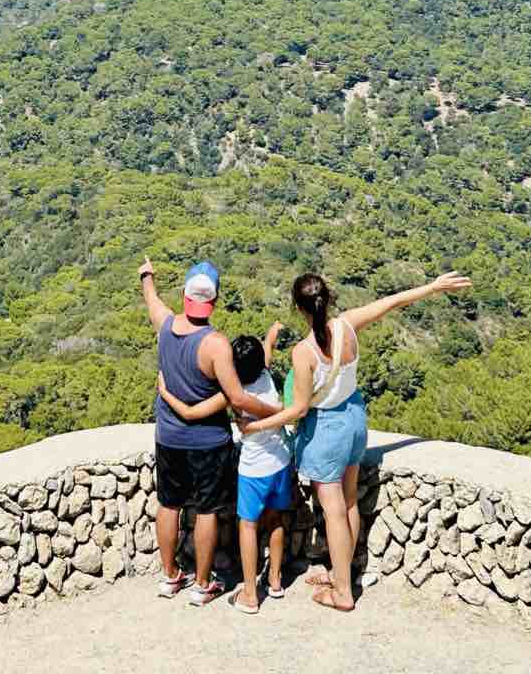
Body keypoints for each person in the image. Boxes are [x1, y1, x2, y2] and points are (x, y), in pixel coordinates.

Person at [239, 269, 472, 612]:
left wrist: (257, 427)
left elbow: (299, 409)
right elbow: (393, 301)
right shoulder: (347, 326)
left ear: (298, 308)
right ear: (328, 298)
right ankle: (342, 575)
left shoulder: (304, 353)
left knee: (333, 511)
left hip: (327, 432)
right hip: (354, 421)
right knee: (348, 503)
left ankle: (343, 593)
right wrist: (433, 287)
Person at [139, 255, 278, 606]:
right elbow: (237, 397)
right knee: (205, 511)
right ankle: (203, 583)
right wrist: (280, 412)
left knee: (168, 504)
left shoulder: (165, 325)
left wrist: (147, 276)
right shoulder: (215, 344)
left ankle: (170, 576)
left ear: (185, 295)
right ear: (213, 301)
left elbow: (152, 301)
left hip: (168, 437)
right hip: (206, 443)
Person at [159, 321, 291, 614]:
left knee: (248, 525)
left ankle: (249, 593)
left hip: (254, 469)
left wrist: (165, 393)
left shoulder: (232, 392)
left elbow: (191, 413)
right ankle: (276, 581)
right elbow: (266, 354)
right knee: (276, 520)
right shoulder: (266, 375)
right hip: (281, 461)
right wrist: (270, 335)